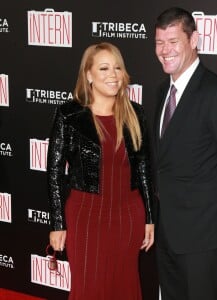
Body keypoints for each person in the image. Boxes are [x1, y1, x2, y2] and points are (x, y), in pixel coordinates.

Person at [153, 7, 217, 300]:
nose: (165, 51)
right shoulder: (161, 92)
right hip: (168, 230)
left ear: (194, 39)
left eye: (173, 41)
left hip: (205, 235)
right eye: (159, 42)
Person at [46, 42, 154, 300]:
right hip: (86, 217)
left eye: (117, 67)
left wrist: (149, 217)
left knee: (124, 288)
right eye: (104, 68)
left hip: (128, 216)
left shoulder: (135, 114)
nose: (113, 74)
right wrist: (58, 223)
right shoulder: (69, 115)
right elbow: (54, 171)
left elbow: (143, 169)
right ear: (89, 75)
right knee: (89, 290)